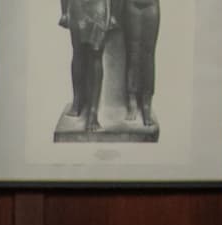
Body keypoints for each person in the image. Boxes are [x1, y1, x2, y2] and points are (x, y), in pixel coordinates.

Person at [62, 0, 116, 133]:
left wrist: (113, 14)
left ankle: (93, 112)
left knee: (96, 55)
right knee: (78, 53)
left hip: (99, 7)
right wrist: (63, 11)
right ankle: (77, 101)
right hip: (77, 6)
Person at [118, 0, 162, 131]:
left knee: (149, 54)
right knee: (133, 53)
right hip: (131, 5)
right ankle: (132, 100)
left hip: (151, 5)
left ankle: (147, 102)